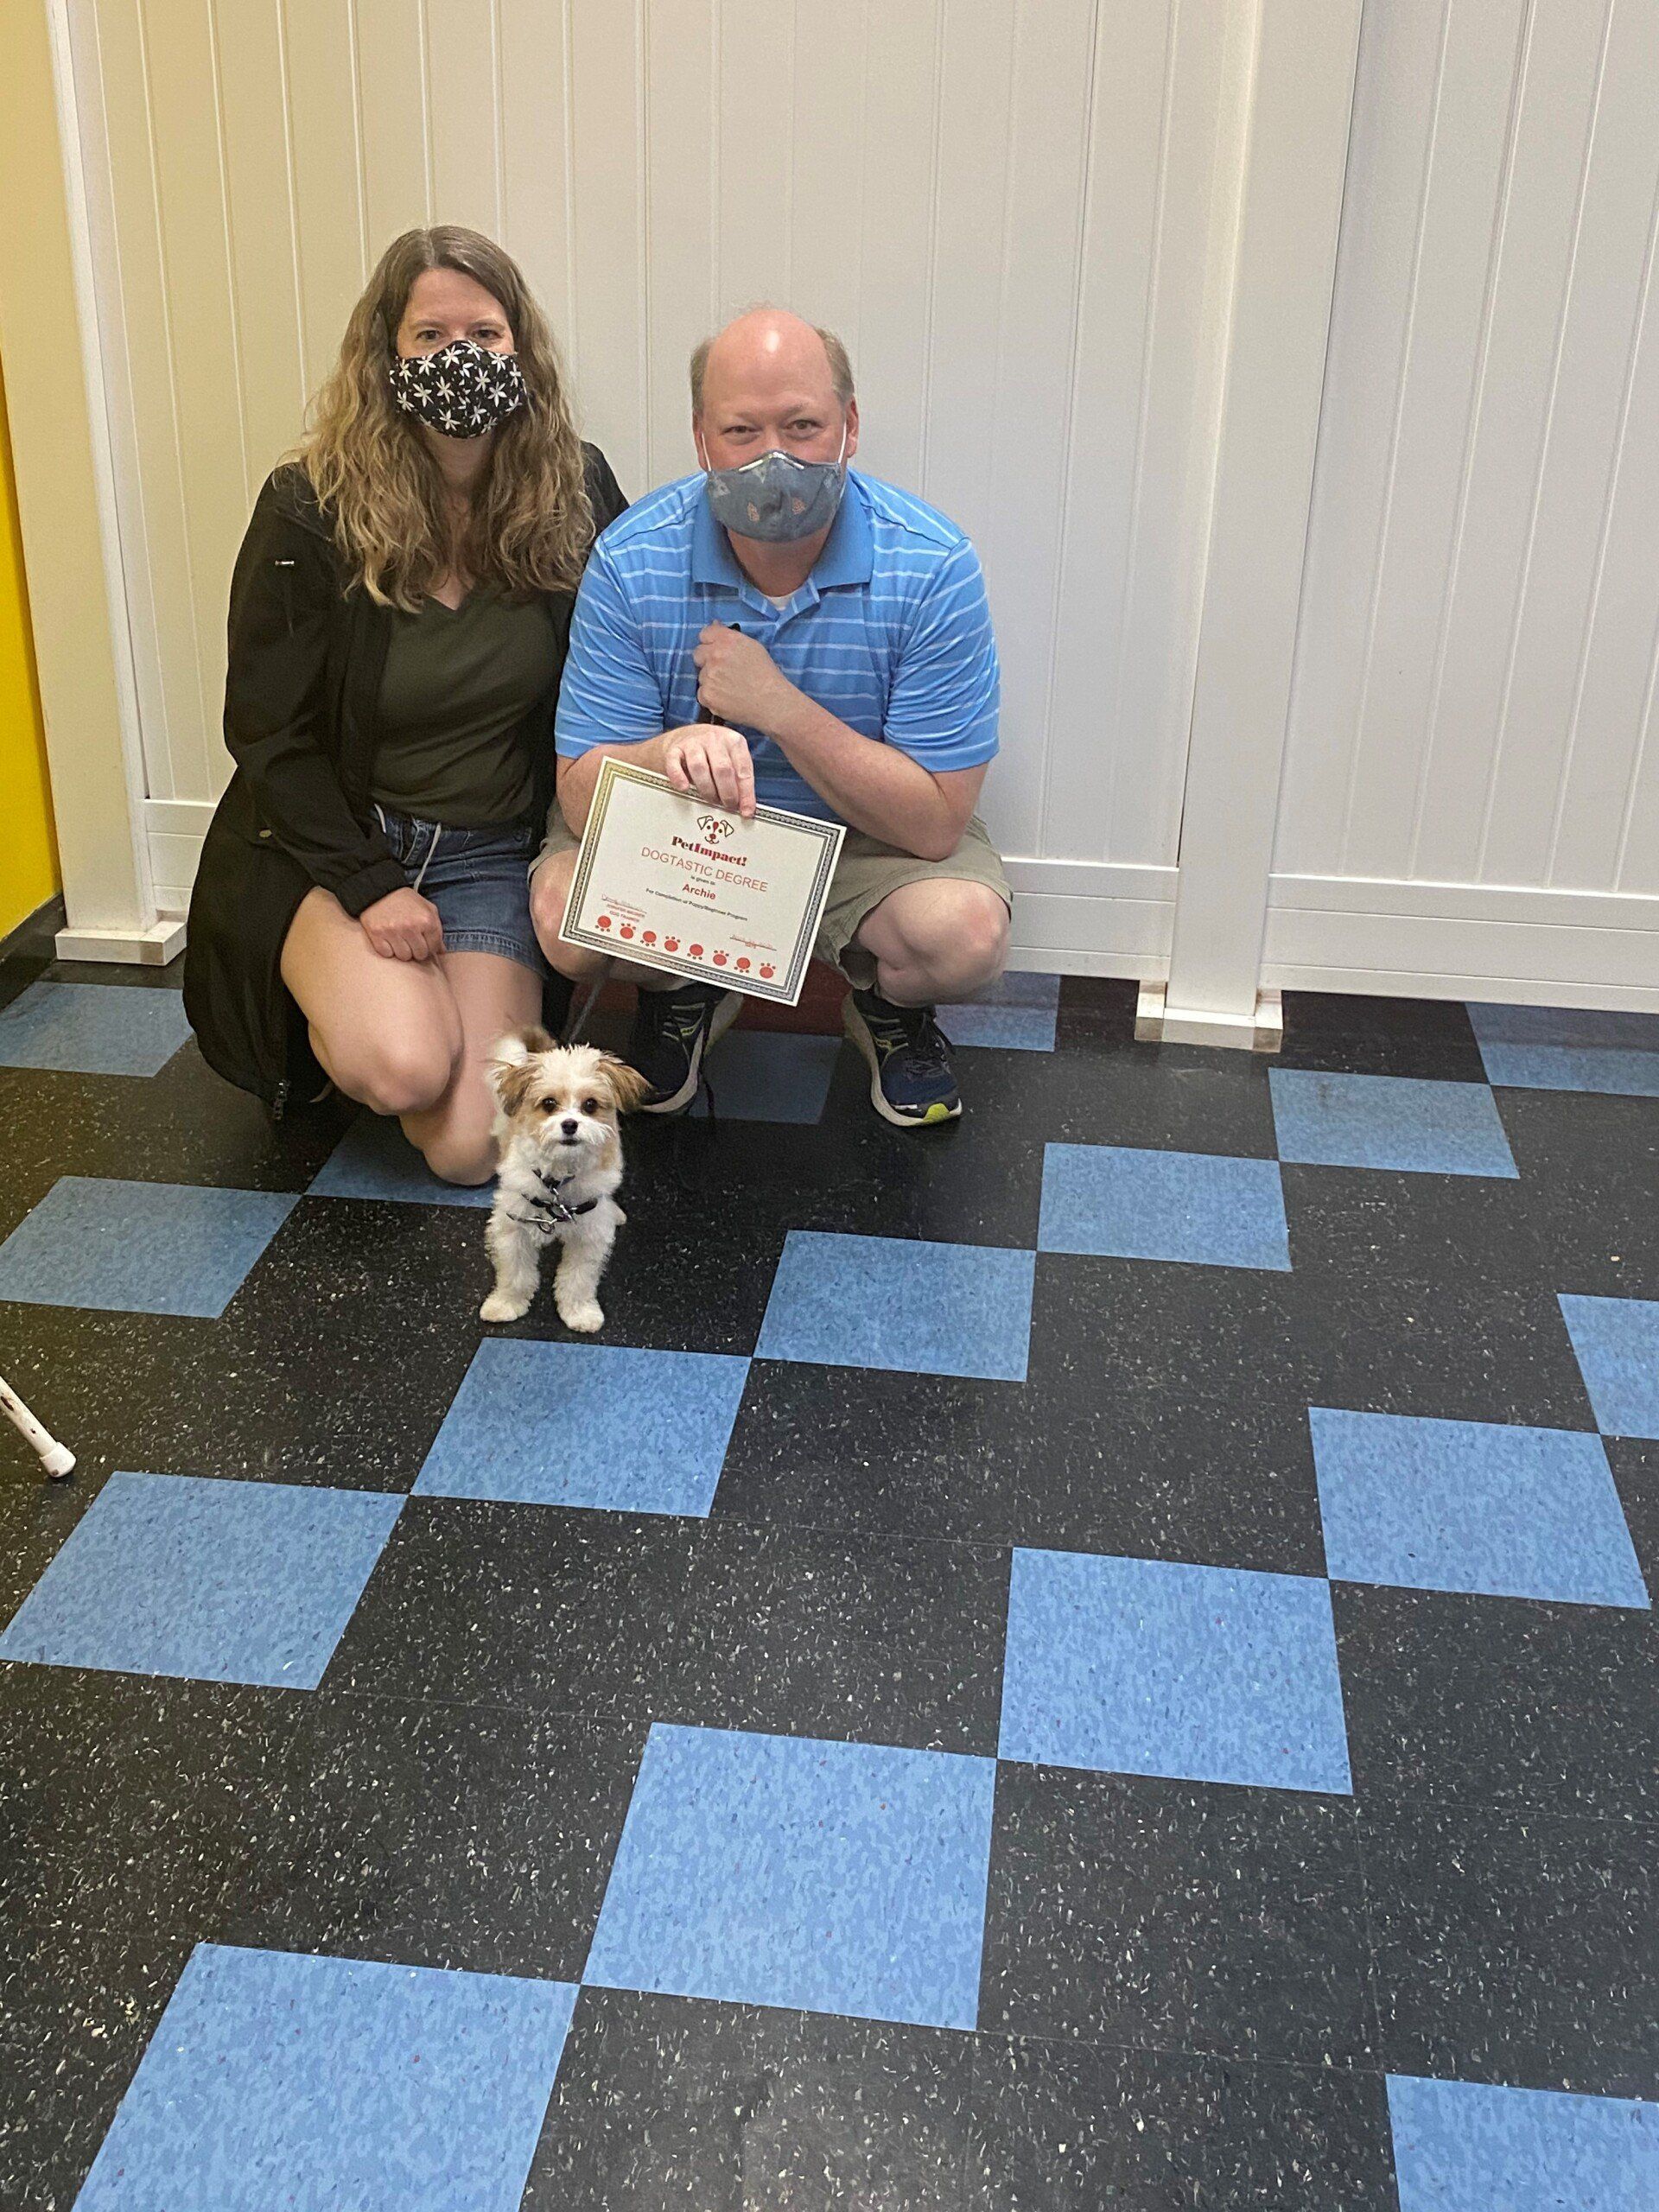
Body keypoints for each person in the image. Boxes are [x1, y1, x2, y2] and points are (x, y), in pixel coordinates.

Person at [184, 226, 626, 1181]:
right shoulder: (310, 506)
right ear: (385, 355)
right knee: (402, 1066)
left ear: (522, 349)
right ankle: (346, 1017)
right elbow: (266, 729)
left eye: (485, 333)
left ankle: (416, 1001)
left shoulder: (577, 488)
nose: (460, 357)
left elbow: (629, 649)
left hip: (488, 851)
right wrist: (370, 883)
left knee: (472, 1150)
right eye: (430, 336)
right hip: (339, 842)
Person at [530, 308, 1009, 1127]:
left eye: (803, 426)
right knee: (564, 918)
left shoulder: (934, 565)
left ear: (850, 426)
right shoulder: (630, 557)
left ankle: (886, 1008)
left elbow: (935, 823)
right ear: (701, 439)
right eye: (742, 431)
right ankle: (686, 984)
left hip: (860, 837)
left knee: (963, 937)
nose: (774, 457)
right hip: (688, 833)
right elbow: (580, 795)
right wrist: (667, 751)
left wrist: (778, 707)